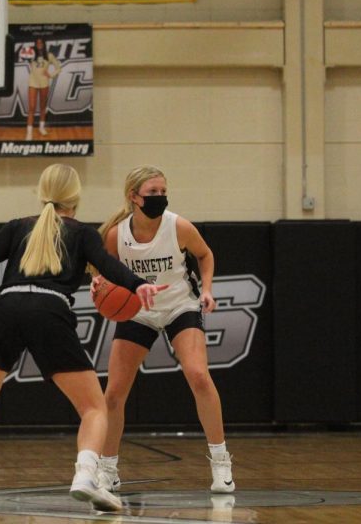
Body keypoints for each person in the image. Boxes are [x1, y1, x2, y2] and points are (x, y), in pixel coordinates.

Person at [0, 163, 168, 512]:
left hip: (5, 309)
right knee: (93, 407)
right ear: (76, 196)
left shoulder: (17, 227)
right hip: (48, 312)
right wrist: (138, 284)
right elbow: (107, 264)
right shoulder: (82, 233)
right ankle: (85, 473)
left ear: (43, 193)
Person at [91, 165, 234, 494]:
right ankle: (108, 469)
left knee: (198, 375)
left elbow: (205, 254)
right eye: (152, 192)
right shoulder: (117, 234)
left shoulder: (178, 226)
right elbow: (103, 269)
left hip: (179, 305)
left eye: (163, 191)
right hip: (138, 309)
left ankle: (221, 462)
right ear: (133, 197)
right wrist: (98, 282)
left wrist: (208, 289)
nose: (160, 197)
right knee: (113, 394)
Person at [25, 38, 61, 141]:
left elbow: (58, 67)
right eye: (37, 43)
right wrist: (25, 55)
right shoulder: (31, 54)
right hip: (33, 82)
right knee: (31, 107)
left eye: (41, 42)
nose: (39, 44)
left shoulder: (49, 55)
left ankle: (41, 127)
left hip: (44, 83)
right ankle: (29, 133)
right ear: (35, 44)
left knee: (42, 106)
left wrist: (51, 75)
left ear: (44, 44)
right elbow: (23, 56)